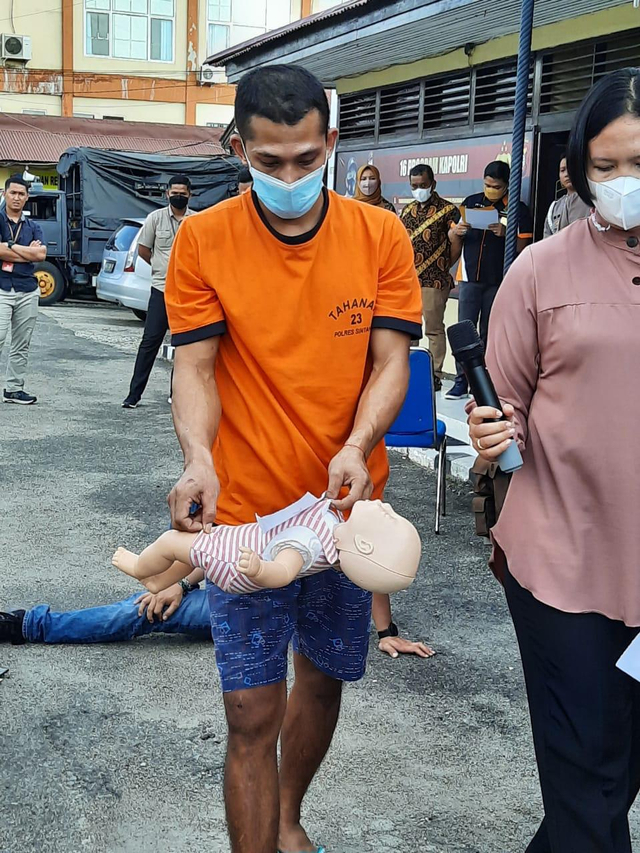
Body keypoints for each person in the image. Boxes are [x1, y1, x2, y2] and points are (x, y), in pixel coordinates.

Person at [164, 63, 422, 853]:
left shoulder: (379, 235)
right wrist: (198, 457)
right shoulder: (203, 238)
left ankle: (287, 812)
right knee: (249, 711)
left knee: (323, 676)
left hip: (345, 514)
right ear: (239, 147)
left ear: (332, 145)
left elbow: (390, 363)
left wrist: (353, 445)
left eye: (307, 160)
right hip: (243, 517)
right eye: (269, 162)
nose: (289, 177)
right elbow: (197, 368)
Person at [468, 67, 640, 853]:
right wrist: (493, 436)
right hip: (563, 566)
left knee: (612, 774)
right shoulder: (540, 269)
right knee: (588, 791)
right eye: (605, 167)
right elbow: (502, 408)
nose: (624, 183)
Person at [446, 160, 533, 400]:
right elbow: (452, 235)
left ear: (506, 186)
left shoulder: (517, 208)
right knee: (465, 330)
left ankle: (481, 383)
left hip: (499, 281)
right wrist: (457, 231)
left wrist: (505, 234)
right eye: (487, 185)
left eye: (495, 186)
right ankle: (460, 381)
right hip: (470, 278)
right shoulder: (472, 202)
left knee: (489, 333)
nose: (490, 189)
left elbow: (525, 247)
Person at [122, 175, 193, 409]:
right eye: (175, 193)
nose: (178, 196)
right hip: (161, 290)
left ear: (190, 194)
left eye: (182, 193)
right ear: (167, 194)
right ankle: (134, 395)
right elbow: (144, 250)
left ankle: (177, 393)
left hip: (188, 293)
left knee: (184, 346)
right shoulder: (156, 219)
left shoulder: (197, 221)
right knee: (150, 342)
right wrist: (161, 267)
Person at [0, 570, 209, 644]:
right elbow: (216, 548)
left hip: (239, 611)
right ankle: (24, 624)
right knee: (148, 604)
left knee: (146, 611)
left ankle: (24, 626)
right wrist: (180, 583)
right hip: (222, 589)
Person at [400, 164, 461, 391]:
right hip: (408, 280)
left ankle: (434, 374)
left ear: (433, 184)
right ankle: (409, 369)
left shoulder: (448, 210)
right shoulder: (407, 211)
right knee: (409, 327)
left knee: (433, 329)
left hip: (435, 280)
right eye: (414, 186)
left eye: (423, 185)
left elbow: (455, 244)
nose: (418, 189)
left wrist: (443, 266)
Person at [0, 175, 47, 405]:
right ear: (4, 194)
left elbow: (40, 255)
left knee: (21, 343)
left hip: (27, 289)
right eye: (13, 193)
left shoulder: (33, 227)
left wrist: (8, 246)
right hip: (1, 288)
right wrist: (24, 251)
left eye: (21, 194)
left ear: (27, 197)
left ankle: (14, 389)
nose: (17, 197)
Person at [543, 155, 591, 238]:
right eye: (562, 170)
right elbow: (547, 239)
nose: (566, 174)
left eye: (571, 168)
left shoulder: (592, 200)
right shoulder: (554, 207)